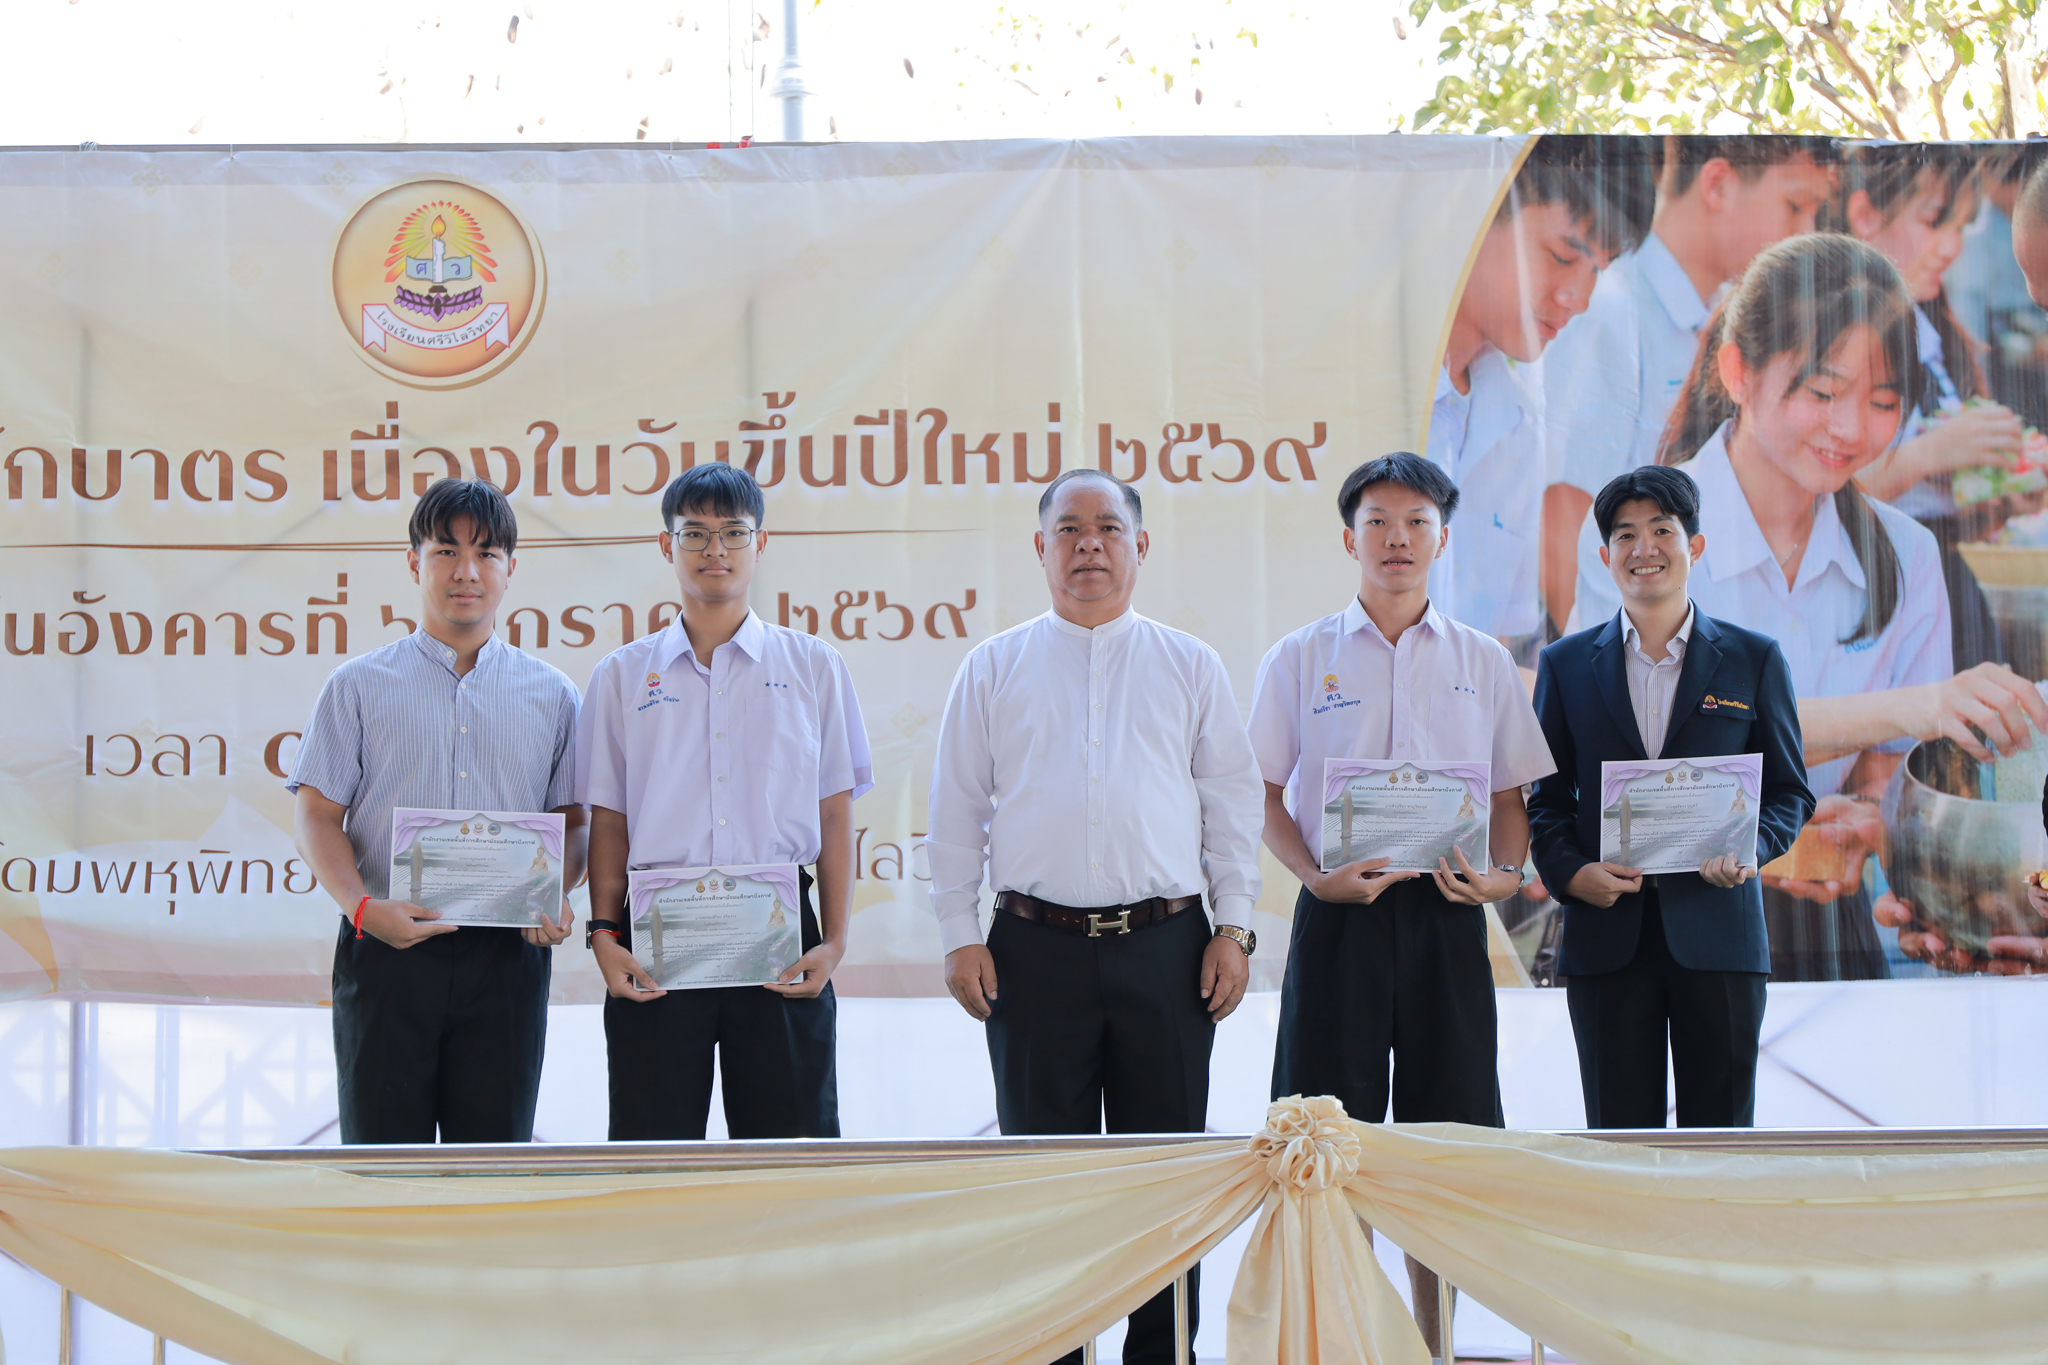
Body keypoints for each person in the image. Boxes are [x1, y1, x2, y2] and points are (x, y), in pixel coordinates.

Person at [1575, 233, 2048, 980]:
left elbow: (1889, 777)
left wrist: (1862, 821)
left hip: (1829, 934)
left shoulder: (1906, 554)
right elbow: (1629, 784)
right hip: (1653, 932)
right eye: (1823, 393)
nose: (1851, 428)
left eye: (1883, 401)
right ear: (1738, 371)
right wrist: (1914, 707)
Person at [929, 466, 1263, 1365]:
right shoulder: (992, 666)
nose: (1089, 545)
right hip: (1031, 952)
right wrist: (959, 933)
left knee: (1168, 1179)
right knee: (1047, 1183)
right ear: (1039, 549)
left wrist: (1234, 928)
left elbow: (1232, 807)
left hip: (1169, 949)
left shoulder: (1189, 663)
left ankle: (1164, 1354)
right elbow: (955, 812)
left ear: (1139, 546)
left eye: (1108, 528)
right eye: (1068, 530)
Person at [1247, 452, 1555, 1355]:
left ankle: (1437, 1343)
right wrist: (1314, 876)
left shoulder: (1482, 660)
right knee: (1326, 1139)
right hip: (1339, 916)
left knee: (1443, 1142)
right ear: (1349, 539)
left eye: (1417, 521)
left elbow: (1511, 796)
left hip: (1445, 916)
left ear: (1443, 539)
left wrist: (1503, 877)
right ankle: (1350, 1340)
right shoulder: (1299, 657)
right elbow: (1261, 792)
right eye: (1377, 521)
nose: (1397, 538)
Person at [576, 462, 872, 1140]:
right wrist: (603, 934)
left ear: (760, 543)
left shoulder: (814, 666)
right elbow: (610, 821)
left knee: (791, 1154)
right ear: (667, 545)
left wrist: (833, 941)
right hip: (658, 937)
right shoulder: (622, 676)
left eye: (734, 532)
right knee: (653, 1152)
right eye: (696, 533)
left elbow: (834, 814)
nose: (716, 549)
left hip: (781, 939)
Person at [289, 477, 585, 1144]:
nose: (466, 571)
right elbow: (316, 816)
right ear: (413, 561)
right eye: (446, 550)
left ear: (511, 567)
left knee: (492, 1166)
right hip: (386, 949)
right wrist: (363, 909)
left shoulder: (555, 695)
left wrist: (554, 894)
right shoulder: (357, 686)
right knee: (382, 1167)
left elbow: (574, 823)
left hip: (508, 956)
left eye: (486, 553)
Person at [1531, 465, 1814, 1128]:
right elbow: (1545, 798)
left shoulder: (1753, 658)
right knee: (1620, 1143)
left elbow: (1789, 792)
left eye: (1662, 530)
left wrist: (1749, 848)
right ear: (1605, 556)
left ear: (1696, 545)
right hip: (1607, 937)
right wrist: (1572, 873)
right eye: (1626, 535)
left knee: (1720, 1142)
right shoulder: (1565, 664)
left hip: (1719, 935)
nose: (1645, 548)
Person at [1540, 135, 1836, 632]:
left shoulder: (1728, 319)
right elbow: (1564, 516)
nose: (1806, 232)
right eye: (1795, 206)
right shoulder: (1610, 312)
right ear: (1718, 184)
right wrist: (1620, 663)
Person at [1427, 133, 1655, 649]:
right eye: (1561, 256)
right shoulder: (1366, 388)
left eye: (1597, 271)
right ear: (1476, 220)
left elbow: (1498, 648)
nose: (1578, 298)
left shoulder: (1519, 427)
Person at [1827, 143, 2021, 670]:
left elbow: (1933, 507)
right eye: (1936, 222)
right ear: (1864, 215)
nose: (1952, 247)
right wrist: (1931, 454)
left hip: (1940, 587)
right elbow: (1815, 499)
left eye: (1961, 227)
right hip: (1870, 595)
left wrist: (1999, 492)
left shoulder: (1929, 330)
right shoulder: (1830, 337)